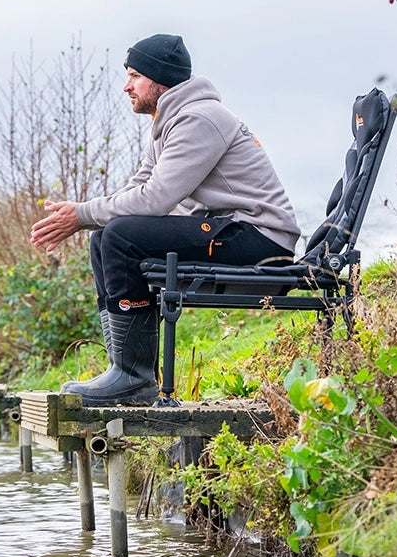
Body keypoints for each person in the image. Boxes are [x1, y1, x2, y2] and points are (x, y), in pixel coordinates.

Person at [30, 33, 300, 406]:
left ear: (160, 79)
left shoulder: (200, 119)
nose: (126, 86)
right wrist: (85, 215)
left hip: (260, 240)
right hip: (232, 230)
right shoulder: (169, 120)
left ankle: (133, 378)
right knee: (105, 236)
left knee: (121, 235)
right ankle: (122, 370)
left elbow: (156, 199)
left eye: (135, 76)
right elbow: (140, 186)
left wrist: (82, 214)